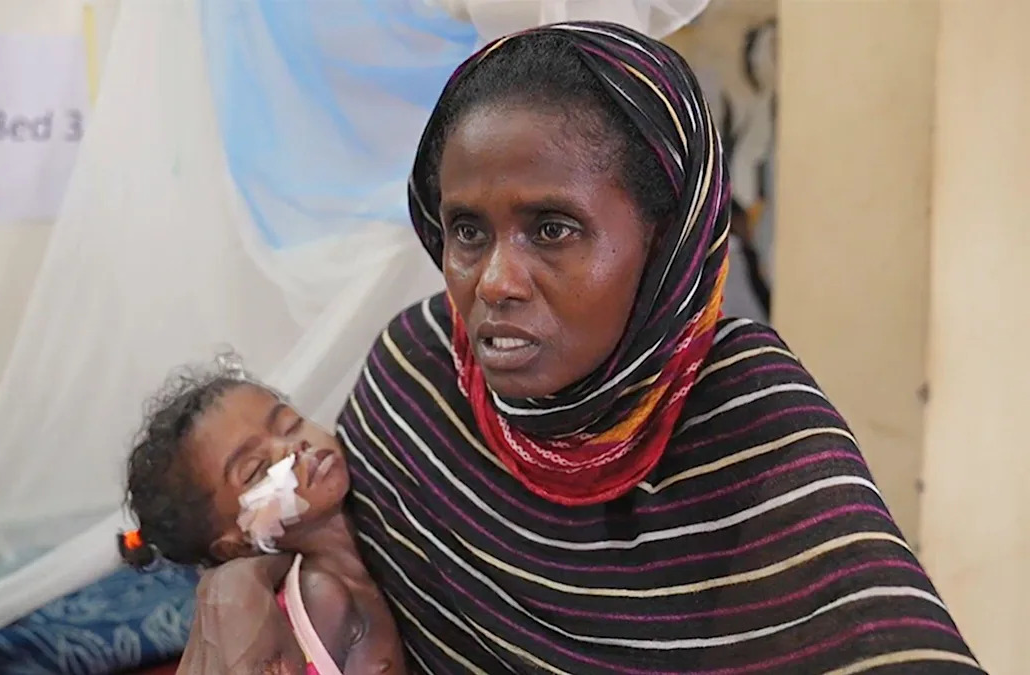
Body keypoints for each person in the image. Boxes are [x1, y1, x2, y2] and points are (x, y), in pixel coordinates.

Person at [324, 22, 982, 673]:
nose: (494, 283)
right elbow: (323, 580)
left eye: (551, 229)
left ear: (665, 241)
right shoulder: (417, 378)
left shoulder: (750, 423)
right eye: (467, 231)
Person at [118, 357, 405, 674]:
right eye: (256, 469)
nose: (294, 448)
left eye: (290, 425)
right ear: (236, 545)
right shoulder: (322, 598)